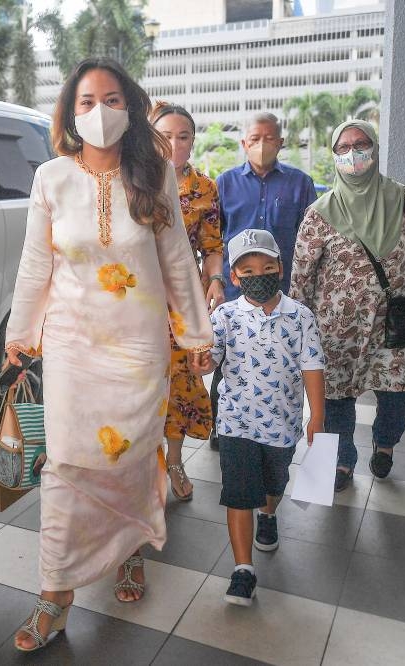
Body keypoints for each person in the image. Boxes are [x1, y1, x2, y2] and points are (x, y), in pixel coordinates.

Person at [3, 58, 213, 652]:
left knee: (131, 458)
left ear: (132, 106)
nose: (99, 112)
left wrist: (197, 338)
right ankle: (54, 594)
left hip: (138, 347)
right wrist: (20, 337)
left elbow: (176, 261)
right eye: (87, 101)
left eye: (112, 99)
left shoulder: (155, 175)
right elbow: (35, 265)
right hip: (72, 346)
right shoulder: (51, 179)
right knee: (66, 464)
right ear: (71, 111)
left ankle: (129, 549)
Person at [290, 120, 405, 492]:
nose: (353, 153)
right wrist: (298, 333)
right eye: (344, 147)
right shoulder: (320, 212)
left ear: (374, 148)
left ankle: (385, 443)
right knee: (337, 397)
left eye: (361, 143)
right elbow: (302, 277)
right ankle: (341, 462)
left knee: (397, 394)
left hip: (395, 323)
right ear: (335, 155)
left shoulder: (404, 200)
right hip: (337, 330)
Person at [202, 228, 325, 606]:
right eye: (248, 270)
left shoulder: (300, 316)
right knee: (238, 494)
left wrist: (316, 417)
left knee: (274, 483)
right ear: (235, 277)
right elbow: (211, 359)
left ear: (281, 269)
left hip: (282, 424)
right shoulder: (224, 316)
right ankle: (243, 570)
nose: (259, 275)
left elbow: (312, 366)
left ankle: (269, 513)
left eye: (267, 267)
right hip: (235, 421)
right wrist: (202, 362)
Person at [208, 113, 318, 451]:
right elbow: (213, 237)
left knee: (279, 360)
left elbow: (310, 239)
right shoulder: (224, 183)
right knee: (227, 359)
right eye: (255, 139)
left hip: (281, 290)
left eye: (269, 138)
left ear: (281, 143)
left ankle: (278, 425)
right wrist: (215, 280)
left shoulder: (300, 184)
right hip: (236, 289)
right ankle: (221, 425)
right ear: (244, 143)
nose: (261, 145)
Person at [150, 102, 225, 501]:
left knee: (181, 386)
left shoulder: (205, 188)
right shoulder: (135, 182)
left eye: (183, 137)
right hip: (136, 303)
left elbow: (212, 245)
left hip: (181, 304)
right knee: (141, 384)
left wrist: (214, 278)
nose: (175, 144)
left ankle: (174, 461)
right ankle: (148, 467)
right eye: (165, 136)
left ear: (194, 141)